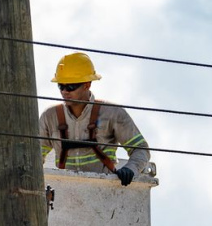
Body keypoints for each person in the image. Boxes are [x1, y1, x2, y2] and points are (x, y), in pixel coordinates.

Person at [38, 52, 150, 186]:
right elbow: (33, 155)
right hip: (65, 190)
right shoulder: (50, 117)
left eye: (70, 86)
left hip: (103, 191)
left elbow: (140, 149)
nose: (64, 91)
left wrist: (130, 169)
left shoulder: (112, 113)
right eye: (60, 86)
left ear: (87, 85)